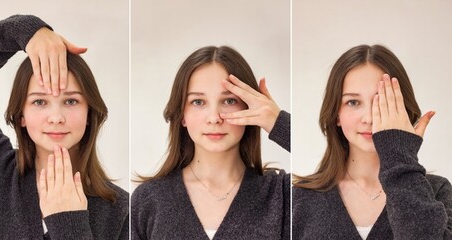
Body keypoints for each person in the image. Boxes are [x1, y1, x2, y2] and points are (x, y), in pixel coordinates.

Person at [0, 15, 129, 239]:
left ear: (89, 113)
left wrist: (69, 225)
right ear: (21, 115)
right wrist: (25, 32)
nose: (56, 117)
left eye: (71, 101)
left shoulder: (122, 212)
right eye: (40, 102)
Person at [292, 44, 452, 239]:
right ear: (336, 114)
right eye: (353, 102)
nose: (369, 118)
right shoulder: (299, 199)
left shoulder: (437, 192)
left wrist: (401, 158)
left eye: (381, 101)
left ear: (403, 109)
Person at [131, 46, 290, 239]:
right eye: (198, 102)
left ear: (250, 109)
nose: (214, 118)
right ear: (182, 115)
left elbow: (327, 153)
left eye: (229, 101)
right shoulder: (148, 200)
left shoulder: (281, 195)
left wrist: (278, 122)